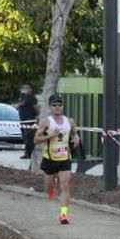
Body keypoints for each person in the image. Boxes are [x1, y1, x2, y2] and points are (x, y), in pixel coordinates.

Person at [34, 94, 80, 224]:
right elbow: (36, 139)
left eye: (60, 104)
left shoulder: (69, 121)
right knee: (49, 188)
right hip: (50, 159)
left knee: (65, 185)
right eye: (54, 105)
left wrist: (76, 138)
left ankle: (64, 215)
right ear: (50, 107)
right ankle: (50, 190)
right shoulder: (46, 122)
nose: (57, 107)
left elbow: (74, 133)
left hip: (65, 158)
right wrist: (50, 136)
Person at [16, 84, 39, 159]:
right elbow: (19, 105)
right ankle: (27, 153)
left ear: (31, 89)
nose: (25, 90)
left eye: (27, 88)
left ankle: (31, 153)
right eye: (24, 88)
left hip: (30, 119)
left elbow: (35, 107)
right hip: (23, 120)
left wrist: (37, 115)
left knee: (29, 136)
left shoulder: (32, 97)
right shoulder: (22, 97)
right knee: (25, 137)